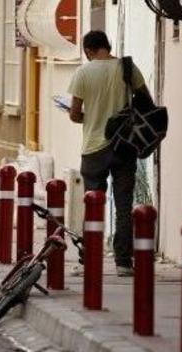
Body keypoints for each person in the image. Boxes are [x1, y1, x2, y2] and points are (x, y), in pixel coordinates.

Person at [68, 31, 148, 277]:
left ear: (88, 50)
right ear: (107, 46)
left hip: (93, 147)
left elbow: (74, 113)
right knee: (124, 205)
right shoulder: (127, 67)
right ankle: (124, 262)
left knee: (93, 204)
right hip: (124, 146)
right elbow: (145, 100)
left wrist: (87, 116)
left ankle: (90, 260)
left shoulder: (83, 72)